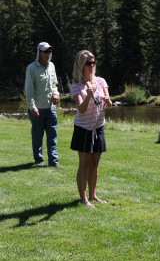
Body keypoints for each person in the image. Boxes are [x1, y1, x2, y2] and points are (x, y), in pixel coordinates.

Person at [70, 50, 112, 207]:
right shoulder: (77, 85)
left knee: (95, 163)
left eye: (94, 62)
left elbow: (109, 104)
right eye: (88, 63)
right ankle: (83, 198)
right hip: (84, 128)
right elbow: (81, 109)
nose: (92, 65)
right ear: (81, 65)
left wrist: (108, 101)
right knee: (84, 164)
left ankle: (93, 195)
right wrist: (88, 94)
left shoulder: (101, 81)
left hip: (98, 127)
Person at [25, 42, 60, 167]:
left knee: (52, 137)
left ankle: (53, 162)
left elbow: (54, 84)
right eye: (46, 52)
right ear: (39, 52)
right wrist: (32, 107)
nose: (48, 54)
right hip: (37, 109)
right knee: (37, 137)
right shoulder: (31, 68)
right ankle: (39, 160)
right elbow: (29, 90)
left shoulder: (52, 66)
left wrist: (56, 94)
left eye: (50, 51)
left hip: (51, 108)